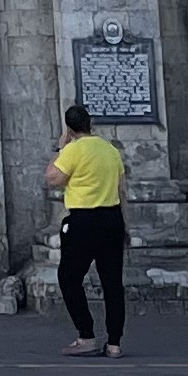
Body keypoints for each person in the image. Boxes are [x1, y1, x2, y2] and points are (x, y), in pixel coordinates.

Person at [44, 101, 129, 359]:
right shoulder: (110, 150)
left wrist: (61, 148)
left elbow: (52, 178)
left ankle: (86, 335)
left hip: (83, 220)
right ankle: (114, 343)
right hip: (112, 218)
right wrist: (125, 225)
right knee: (112, 283)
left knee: (69, 278)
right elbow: (122, 191)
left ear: (70, 129)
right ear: (91, 124)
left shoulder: (73, 149)